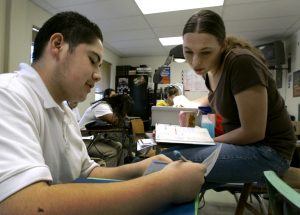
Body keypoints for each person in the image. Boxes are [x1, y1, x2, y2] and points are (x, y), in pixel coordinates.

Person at [0, 11, 206, 215]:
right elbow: (23, 204)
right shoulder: (8, 95)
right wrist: (166, 186)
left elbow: (88, 172)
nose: (98, 75)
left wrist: (142, 167)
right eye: (92, 60)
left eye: (100, 66)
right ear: (57, 45)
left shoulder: (65, 110)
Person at [162, 10, 296, 190]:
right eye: (188, 52)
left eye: (206, 52)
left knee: (169, 162)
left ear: (223, 45)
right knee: (181, 176)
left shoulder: (241, 62)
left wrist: (205, 141)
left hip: (270, 153)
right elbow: (215, 97)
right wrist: (190, 102)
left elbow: (254, 132)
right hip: (245, 147)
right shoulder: (210, 70)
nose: (195, 62)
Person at [79, 94, 133, 167]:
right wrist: (123, 116)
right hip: (83, 141)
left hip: (93, 139)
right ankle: (108, 176)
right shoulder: (102, 107)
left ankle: (117, 172)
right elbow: (116, 121)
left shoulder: (107, 107)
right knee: (112, 152)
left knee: (119, 145)